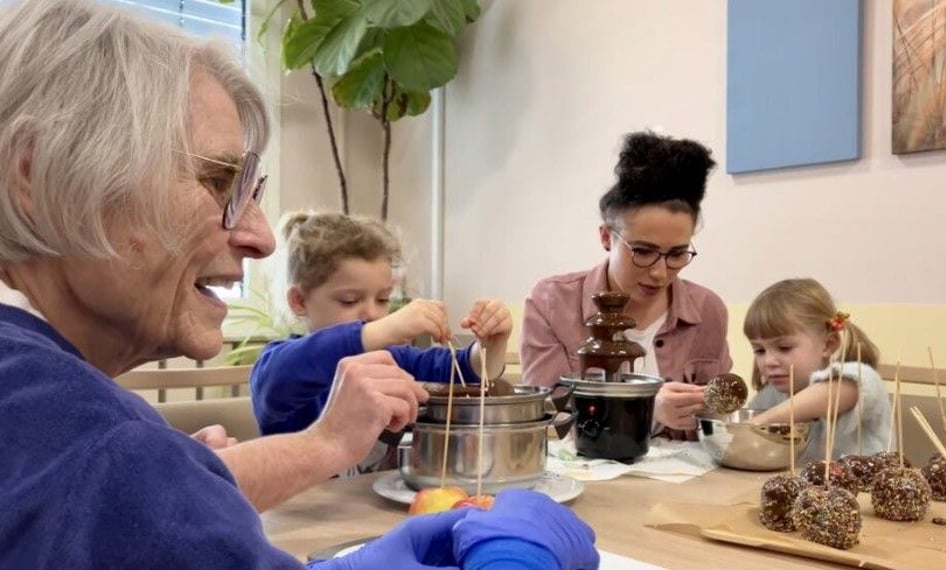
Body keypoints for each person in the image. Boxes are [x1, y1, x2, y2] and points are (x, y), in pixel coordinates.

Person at [0, 1, 597, 568]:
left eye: (252, 195)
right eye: (218, 182)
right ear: (42, 175)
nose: (261, 238)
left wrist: (179, 481)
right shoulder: (83, 440)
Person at [250, 212, 512, 472]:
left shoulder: (391, 358)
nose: (373, 313)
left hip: (375, 512)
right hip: (300, 512)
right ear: (299, 301)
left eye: (383, 299)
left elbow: (462, 371)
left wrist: (492, 344)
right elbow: (284, 374)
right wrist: (381, 330)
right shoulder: (280, 366)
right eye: (350, 300)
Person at [521, 131, 732, 439]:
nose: (660, 273)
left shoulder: (707, 311)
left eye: (677, 254)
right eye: (643, 252)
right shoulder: (553, 303)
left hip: (687, 484)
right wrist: (643, 408)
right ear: (607, 237)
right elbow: (549, 418)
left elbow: (718, 421)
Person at [744, 278, 892, 462]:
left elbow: (834, 393)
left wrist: (758, 423)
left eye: (784, 348)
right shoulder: (770, 395)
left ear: (828, 345)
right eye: (759, 350)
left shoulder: (861, 377)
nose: (768, 361)